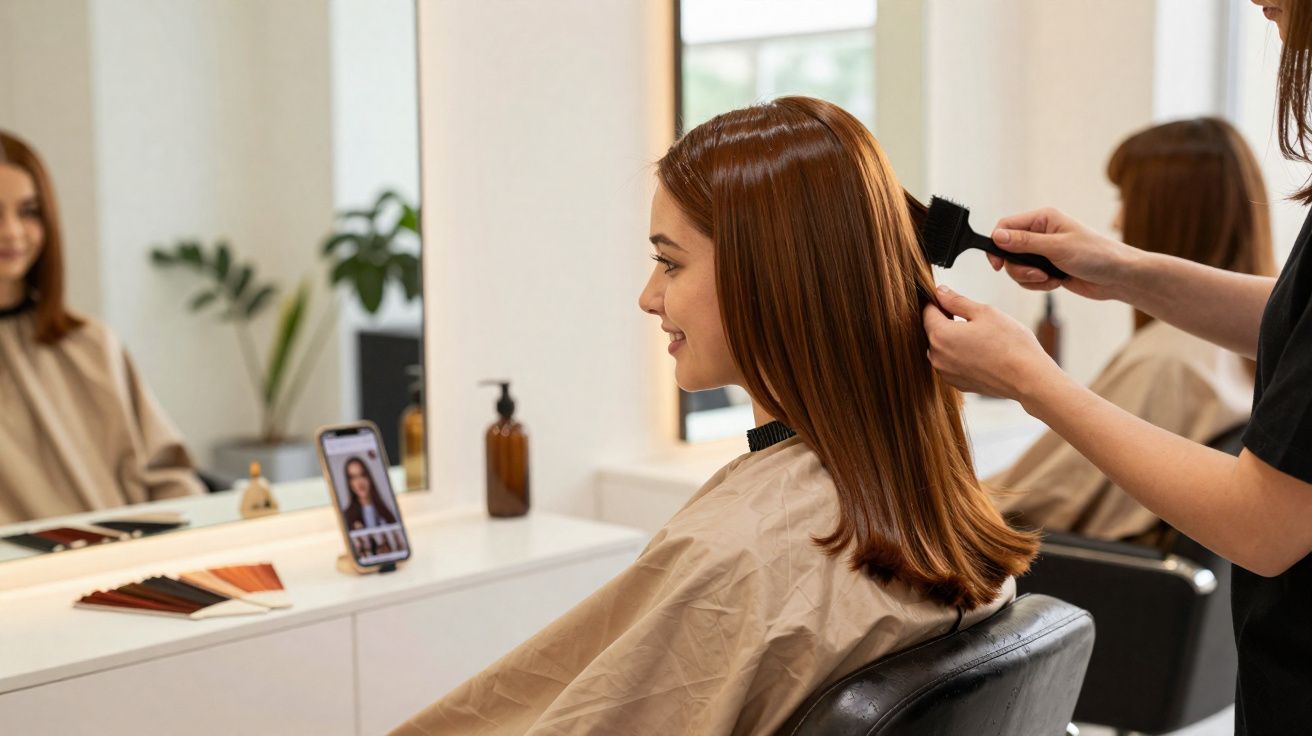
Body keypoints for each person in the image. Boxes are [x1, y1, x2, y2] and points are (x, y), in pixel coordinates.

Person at [391, 97, 1034, 736]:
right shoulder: (929, 496)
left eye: (669, 262)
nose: (649, 298)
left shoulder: (746, 555)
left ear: (771, 277)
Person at [923, 2, 1312, 732]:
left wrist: (1029, 379)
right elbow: (1294, 320)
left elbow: (1266, 525)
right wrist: (1123, 270)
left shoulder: (1164, 368)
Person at [989, 117, 1275, 545]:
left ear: (1170, 215)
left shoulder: (1166, 361)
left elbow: (1028, 503)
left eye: (1125, 199)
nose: (1116, 222)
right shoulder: (1238, 348)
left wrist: (1020, 375)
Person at [0, 130, 203, 524]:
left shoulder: (90, 343)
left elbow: (170, 479)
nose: (12, 231)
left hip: (130, 567)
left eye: (28, 211)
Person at [342, 456, 398, 530]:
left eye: (362, 475)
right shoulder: (347, 516)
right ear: (349, 483)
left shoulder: (385, 511)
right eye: (353, 477)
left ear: (369, 478)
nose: (359, 482)